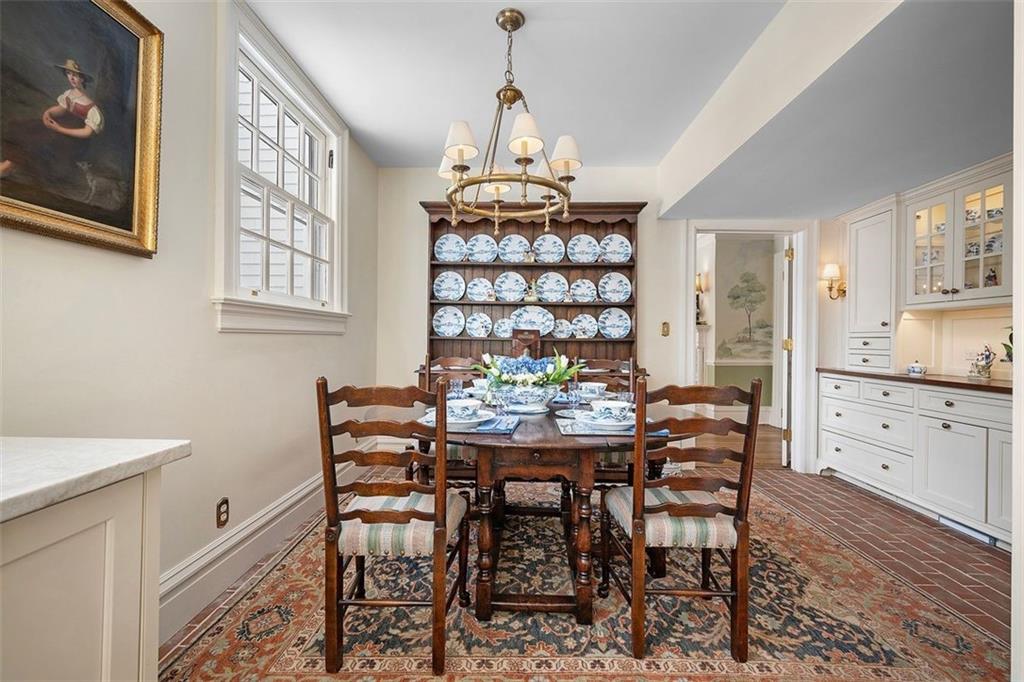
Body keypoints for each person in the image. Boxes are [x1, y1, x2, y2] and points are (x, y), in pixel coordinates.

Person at [0, 59, 104, 179]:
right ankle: (10, 164)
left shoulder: (92, 108)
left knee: (39, 139)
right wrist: (47, 113)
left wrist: (59, 129)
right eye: (69, 74)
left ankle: (7, 167)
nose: (71, 78)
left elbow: (87, 132)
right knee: (23, 127)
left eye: (75, 75)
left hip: (74, 137)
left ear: (82, 79)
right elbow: (61, 109)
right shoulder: (69, 94)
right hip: (59, 125)